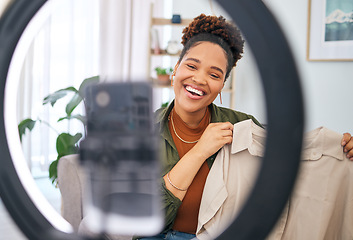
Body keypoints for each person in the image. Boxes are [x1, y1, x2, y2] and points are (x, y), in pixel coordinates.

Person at [139, 14, 353, 240]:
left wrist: (341, 147)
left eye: (214, 74)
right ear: (176, 68)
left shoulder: (242, 127)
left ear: (222, 85)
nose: (200, 79)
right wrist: (201, 150)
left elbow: (292, 154)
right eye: (192, 65)